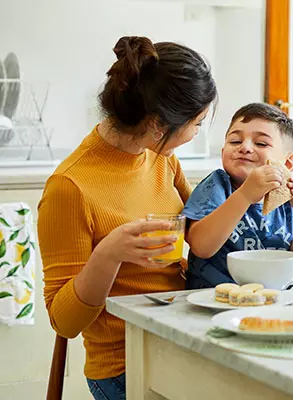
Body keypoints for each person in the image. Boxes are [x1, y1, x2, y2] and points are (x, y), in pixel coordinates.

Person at [37, 36, 217, 399]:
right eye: (196, 124)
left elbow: (205, 230)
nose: (196, 133)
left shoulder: (161, 158)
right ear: (156, 124)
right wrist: (109, 253)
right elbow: (64, 321)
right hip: (126, 363)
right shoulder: (70, 186)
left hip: (180, 337)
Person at [182, 103, 293, 289]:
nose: (245, 147)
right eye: (235, 141)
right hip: (215, 300)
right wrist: (245, 195)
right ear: (223, 152)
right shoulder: (216, 186)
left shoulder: (289, 198)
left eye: (261, 143)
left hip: (272, 302)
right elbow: (201, 246)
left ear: (288, 163)